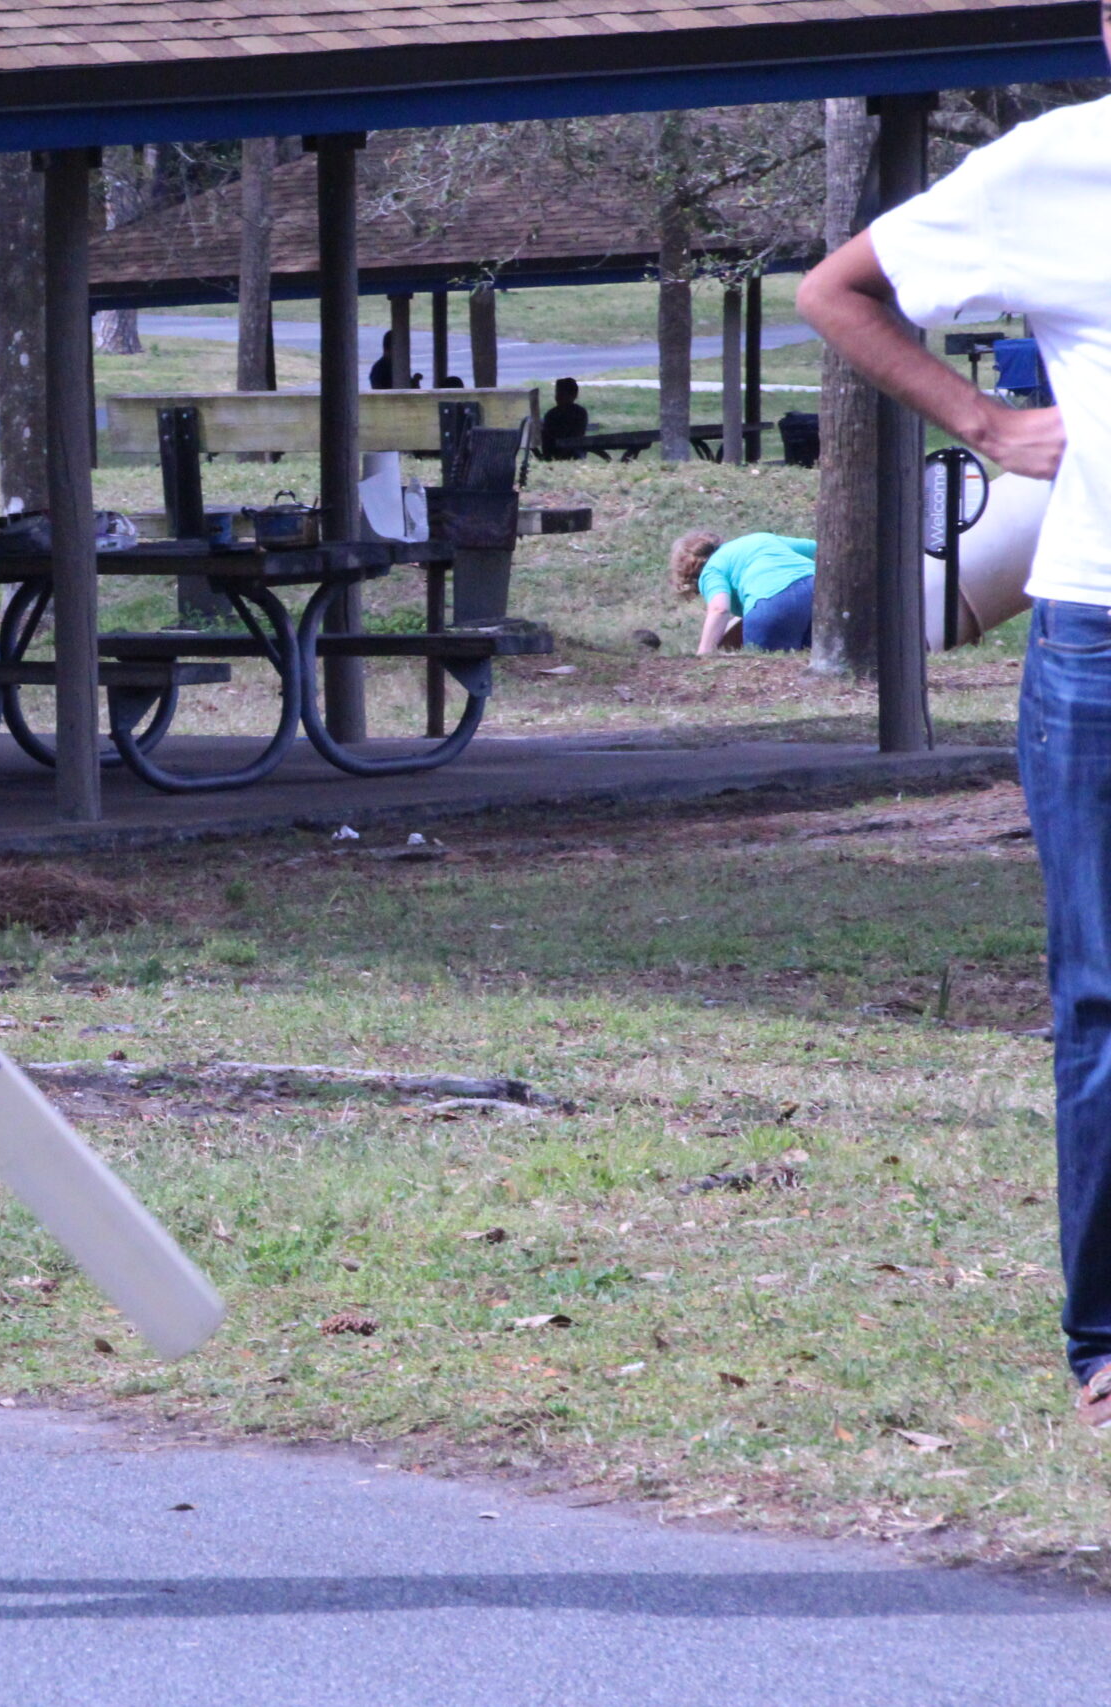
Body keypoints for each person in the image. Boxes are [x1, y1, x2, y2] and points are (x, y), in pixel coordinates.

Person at [796, 61, 1104, 1424]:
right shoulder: (1055, 165)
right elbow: (836, 290)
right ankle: (1107, 1337)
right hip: (1101, 633)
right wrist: (983, 422)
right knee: (1104, 994)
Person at [672, 529, 815, 653]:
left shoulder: (711, 569)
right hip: (817, 590)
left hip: (772, 603)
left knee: (767, 669)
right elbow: (819, 548)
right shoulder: (760, 539)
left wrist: (704, 653)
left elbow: (719, 609)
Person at [539, 377, 590, 459]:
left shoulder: (552, 413)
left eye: (561, 394)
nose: (558, 397)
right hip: (562, 450)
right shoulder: (579, 412)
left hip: (565, 451)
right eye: (558, 394)